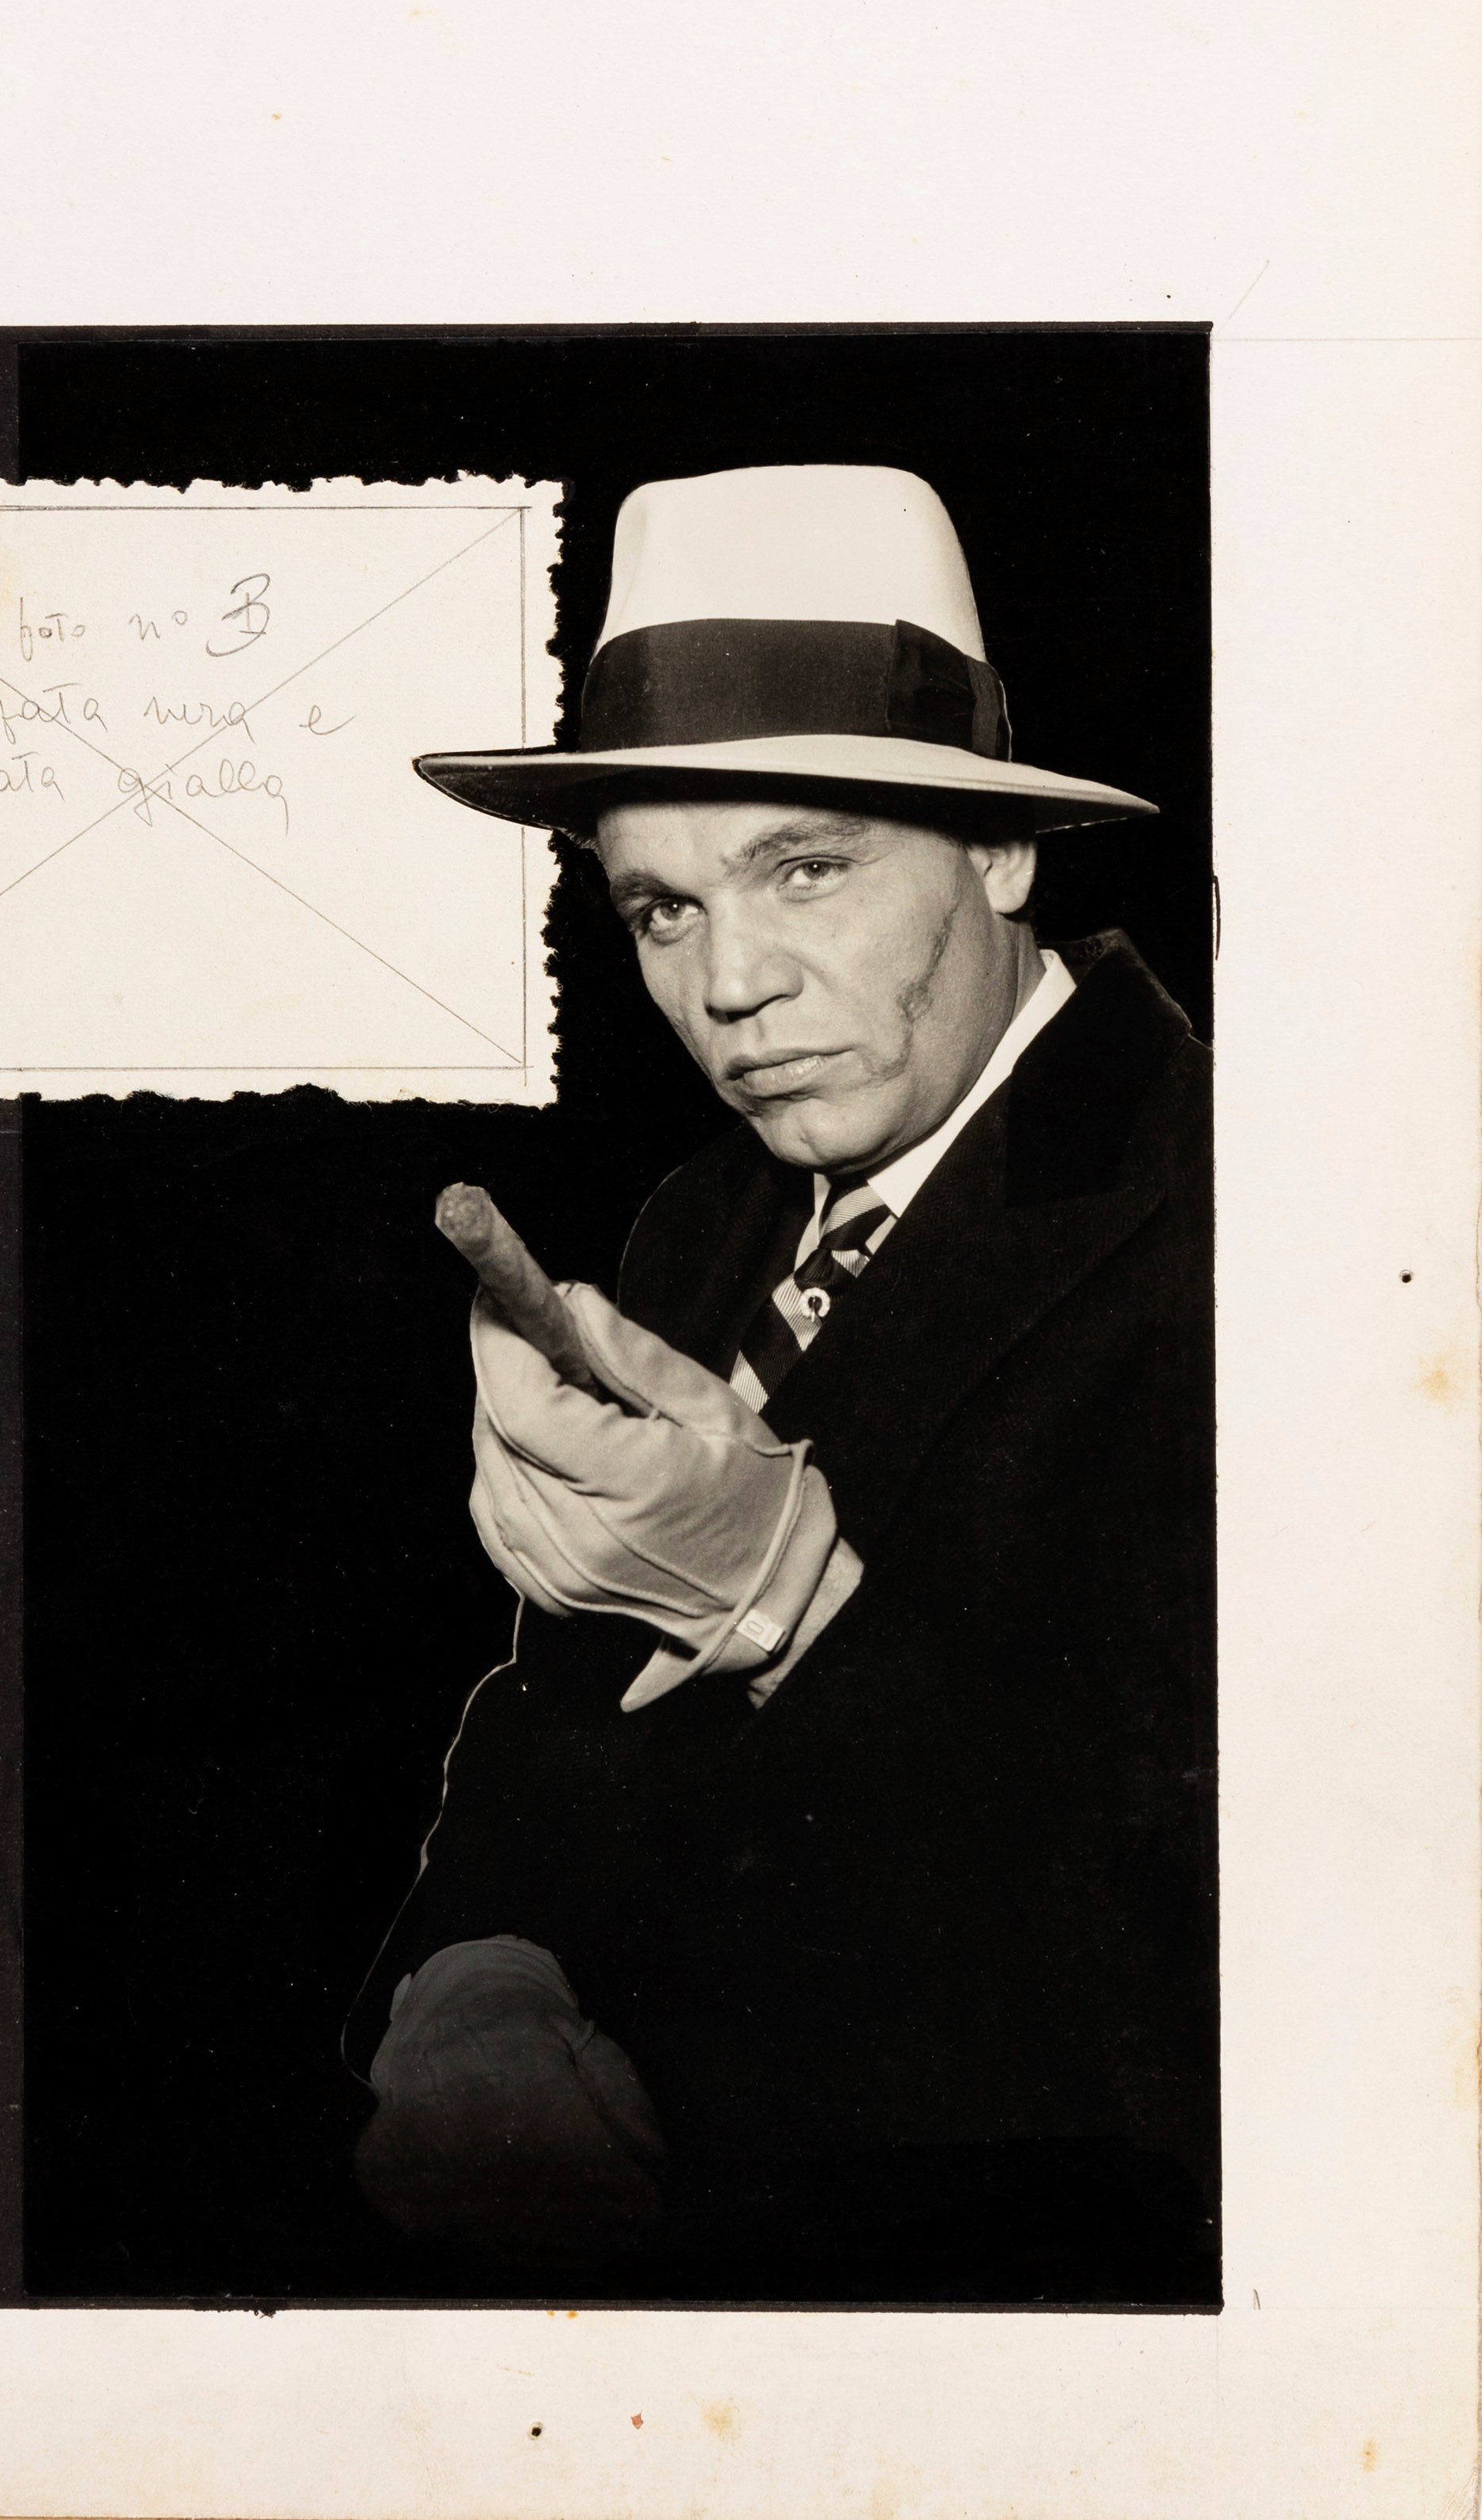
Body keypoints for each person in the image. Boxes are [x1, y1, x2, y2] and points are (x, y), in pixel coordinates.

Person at [345, 465, 1216, 2304]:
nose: (728, 980)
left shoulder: (1265, 1212)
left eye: (804, 865)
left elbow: (1233, 1972)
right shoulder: (703, 1214)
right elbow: (558, 1705)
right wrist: (471, 1975)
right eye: (657, 907)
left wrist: (786, 1605)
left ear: (999, 850)